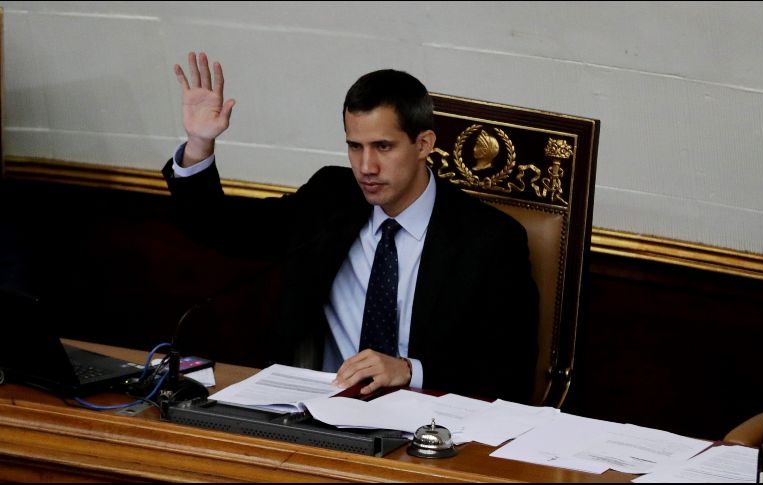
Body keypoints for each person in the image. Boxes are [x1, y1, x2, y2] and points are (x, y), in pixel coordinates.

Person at [163, 52, 538, 403]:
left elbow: (508, 374)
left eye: (383, 147)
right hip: (317, 411)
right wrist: (200, 143)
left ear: (423, 144)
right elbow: (222, 228)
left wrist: (410, 371)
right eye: (355, 147)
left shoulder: (488, 240)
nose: (366, 166)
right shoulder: (331, 198)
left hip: (428, 425)